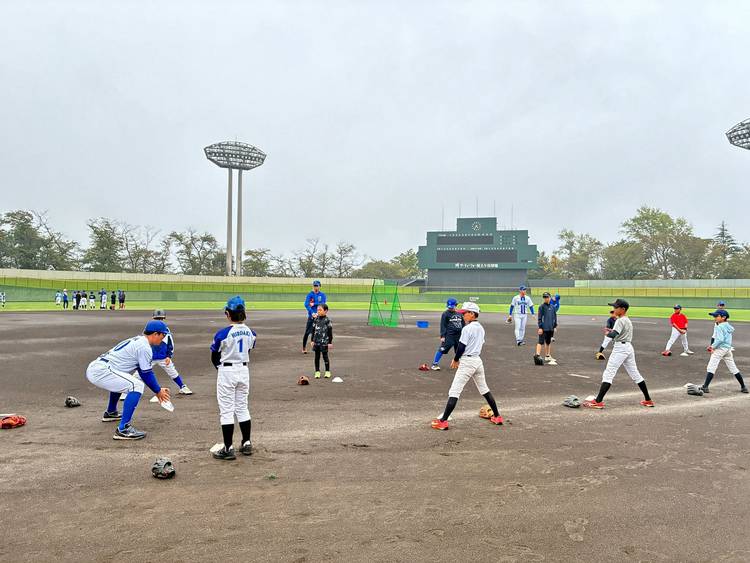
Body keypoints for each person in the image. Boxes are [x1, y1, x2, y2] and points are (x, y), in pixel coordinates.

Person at [84, 320, 171, 440]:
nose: (164, 338)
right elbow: (146, 373)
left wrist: (158, 389)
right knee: (136, 385)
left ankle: (111, 412)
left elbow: (142, 370)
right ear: (155, 334)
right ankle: (123, 429)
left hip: (99, 367)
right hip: (101, 371)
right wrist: (158, 391)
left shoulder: (139, 341)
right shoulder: (144, 347)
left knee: (125, 381)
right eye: (163, 335)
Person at [431, 302, 504, 430]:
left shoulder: (467, 328)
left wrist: (456, 359)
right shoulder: (481, 328)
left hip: (467, 362)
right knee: (484, 390)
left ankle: (443, 421)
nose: (462, 315)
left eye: (464, 313)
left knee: (454, 391)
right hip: (477, 361)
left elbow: (461, 347)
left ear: (472, 314)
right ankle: (497, 416)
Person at [583, 299, 654, 409]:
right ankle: (648, 400)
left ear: (623, 309)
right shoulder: (627, 320)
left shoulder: (620, 321)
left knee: (608, 373)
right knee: (635, 374)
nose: (614, 309)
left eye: (616, 307)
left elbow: (614, 334)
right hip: (628, 347)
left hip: (620, 349)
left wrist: (607, 333)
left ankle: (598, 401)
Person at [210, 296, 256, 460]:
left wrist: (220, 368)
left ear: (228, 314)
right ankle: (246, 442)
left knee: (227, 410)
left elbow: (214, 355)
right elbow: (249, 349)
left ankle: (228, 448)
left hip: (227, 371)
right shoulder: (251, 332)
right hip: (243, 369)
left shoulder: (223, 333)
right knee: (242, 407)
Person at [699, 309, 747, 394]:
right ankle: (743, 387)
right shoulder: (728, 326)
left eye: (716, 316)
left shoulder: (719, 327)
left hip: (720, 349)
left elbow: (720, 339)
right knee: (733, 368)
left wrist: (712, 346)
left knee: (711, 367)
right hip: (727, 349)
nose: (714, 318)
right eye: (714, 316)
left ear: (724, 317)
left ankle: (705, 386)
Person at [151, 309, 192, 395]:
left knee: (172, 372)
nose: (159, 320)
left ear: (163, 319)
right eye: (157, 319)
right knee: (139, 374)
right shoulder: (149, 329)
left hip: (163, 357)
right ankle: (128, 390)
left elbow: (170, 344)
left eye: (161, 318)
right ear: (153, 319)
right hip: (149, 357)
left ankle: (182, 386)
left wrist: (169, 356)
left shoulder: (166, 329)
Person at [430, 298, 464, 370]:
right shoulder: (445, 314)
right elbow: (443, 325)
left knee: (459, 350)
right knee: (442, 349)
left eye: (452, 307)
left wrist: (464, 333)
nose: (450, 308)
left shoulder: (459, 314)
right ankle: (434, 364)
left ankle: (460, 364)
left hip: (459, 335)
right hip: (449, 336)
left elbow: (463, 324)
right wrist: (442, 336)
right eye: (449, 307)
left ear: (456, 305)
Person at [302, 280, 327, 353]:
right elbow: (306, 304)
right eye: (314, 286)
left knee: (318, 332)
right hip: (312, 316)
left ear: (319, 286)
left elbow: (323, 303)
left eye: (317, 286)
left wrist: (314, 304)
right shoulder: (310, 295)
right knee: (307, 332)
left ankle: (316, 346)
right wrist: (312, 313)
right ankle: (304, 348)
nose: (315, 287)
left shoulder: (322, 295)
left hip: (319, 316)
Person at [534, 292, 558, 365]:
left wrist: (555, 326)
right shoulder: (541, 307)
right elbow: (540, 318)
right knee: (540, 341)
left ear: (550, 297)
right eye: (544, 297)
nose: (546, 298)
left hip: (550, 328)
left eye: (547, 297)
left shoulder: (553, 307)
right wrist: (540, 327)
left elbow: (554, 317)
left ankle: (547, 356)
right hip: (544, 328)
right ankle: (537, 355)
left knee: (548, 342)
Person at [311, 304, 333, 379]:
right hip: (316, 341)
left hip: (324, 342)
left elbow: (330, 332)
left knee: (325, 356)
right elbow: (313, 330)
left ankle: (327, 371)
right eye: (318, 310)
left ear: (325, 311)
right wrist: (312, 340)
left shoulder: (327, 320)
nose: (318, 311)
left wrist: (330, 342)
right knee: (316, 357)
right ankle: (317, 371)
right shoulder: (316, 319)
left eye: (320, 310)